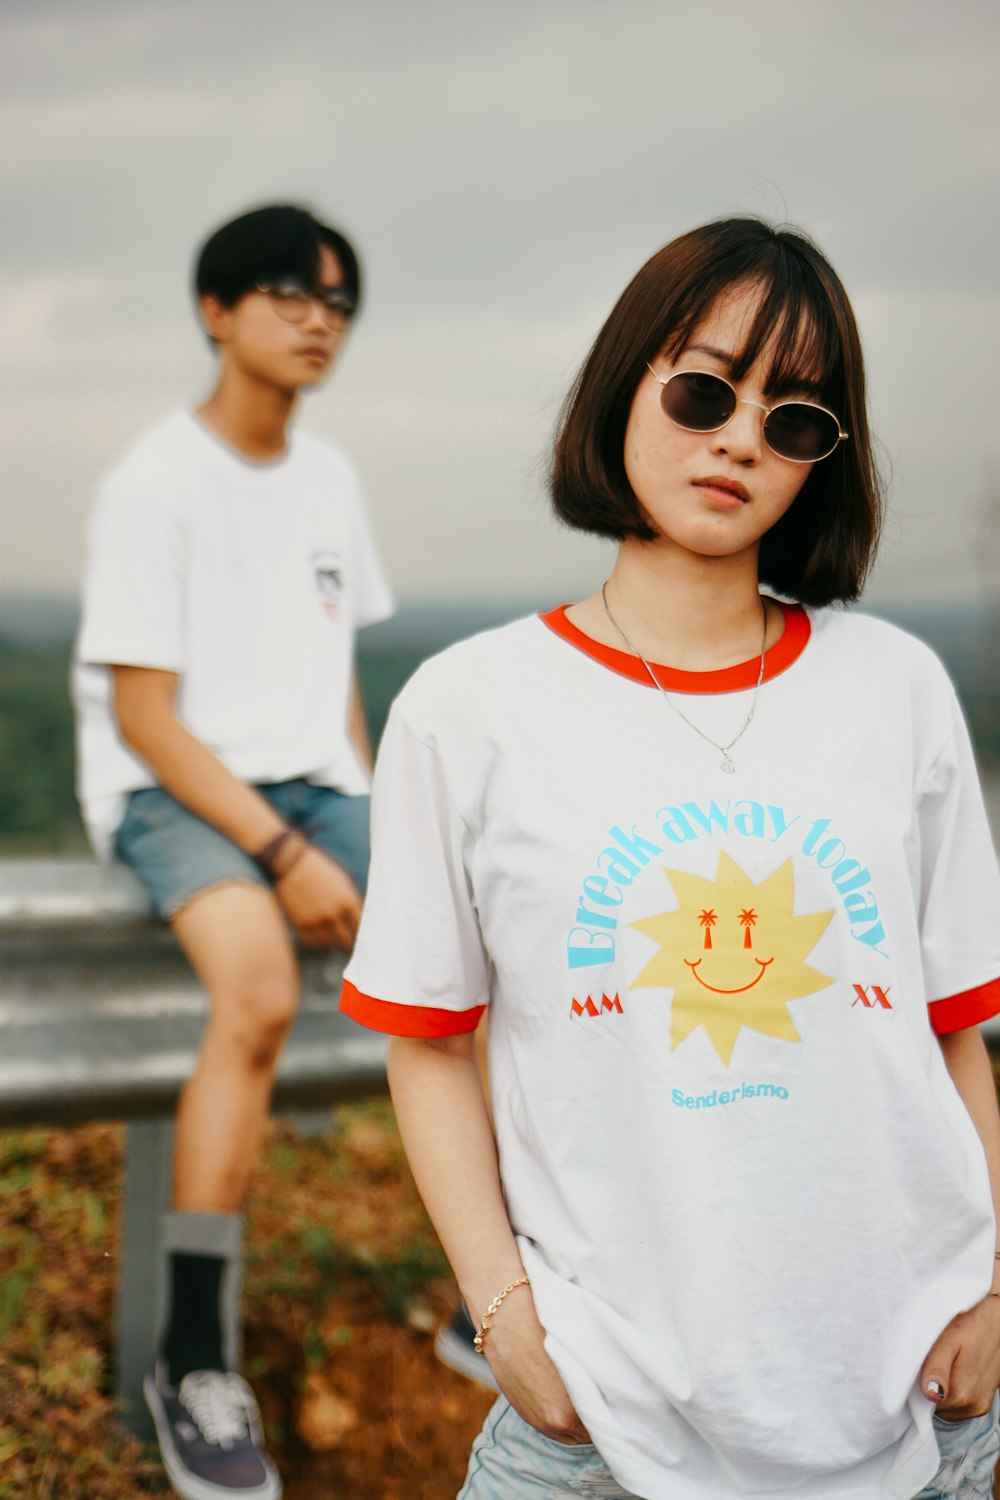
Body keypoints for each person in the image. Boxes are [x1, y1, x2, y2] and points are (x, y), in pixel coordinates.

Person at [339, 217, 1000, 1499]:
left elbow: (952, 1032)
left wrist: (994, 1285)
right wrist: (505, 1325)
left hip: (918, 1414)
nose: (743, 437)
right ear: (621, 386)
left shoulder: (897, 688)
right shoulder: (464, 707)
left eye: (796, 417)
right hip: (601, 1426)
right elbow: (425, 1040)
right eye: (703, 390)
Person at [73, 202, 393, 1500]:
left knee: (487, 954)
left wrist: (370, 828)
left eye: (338, 301)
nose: (319, 318)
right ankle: (194, 1357)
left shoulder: (332, 480)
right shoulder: (154, 481)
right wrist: (285, 855)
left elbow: (339, 683)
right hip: (174, 788)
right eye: (287, 292)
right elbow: (147, 716)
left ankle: (512, 1304)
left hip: (311, 784)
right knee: (256, 986)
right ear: (215, 310)